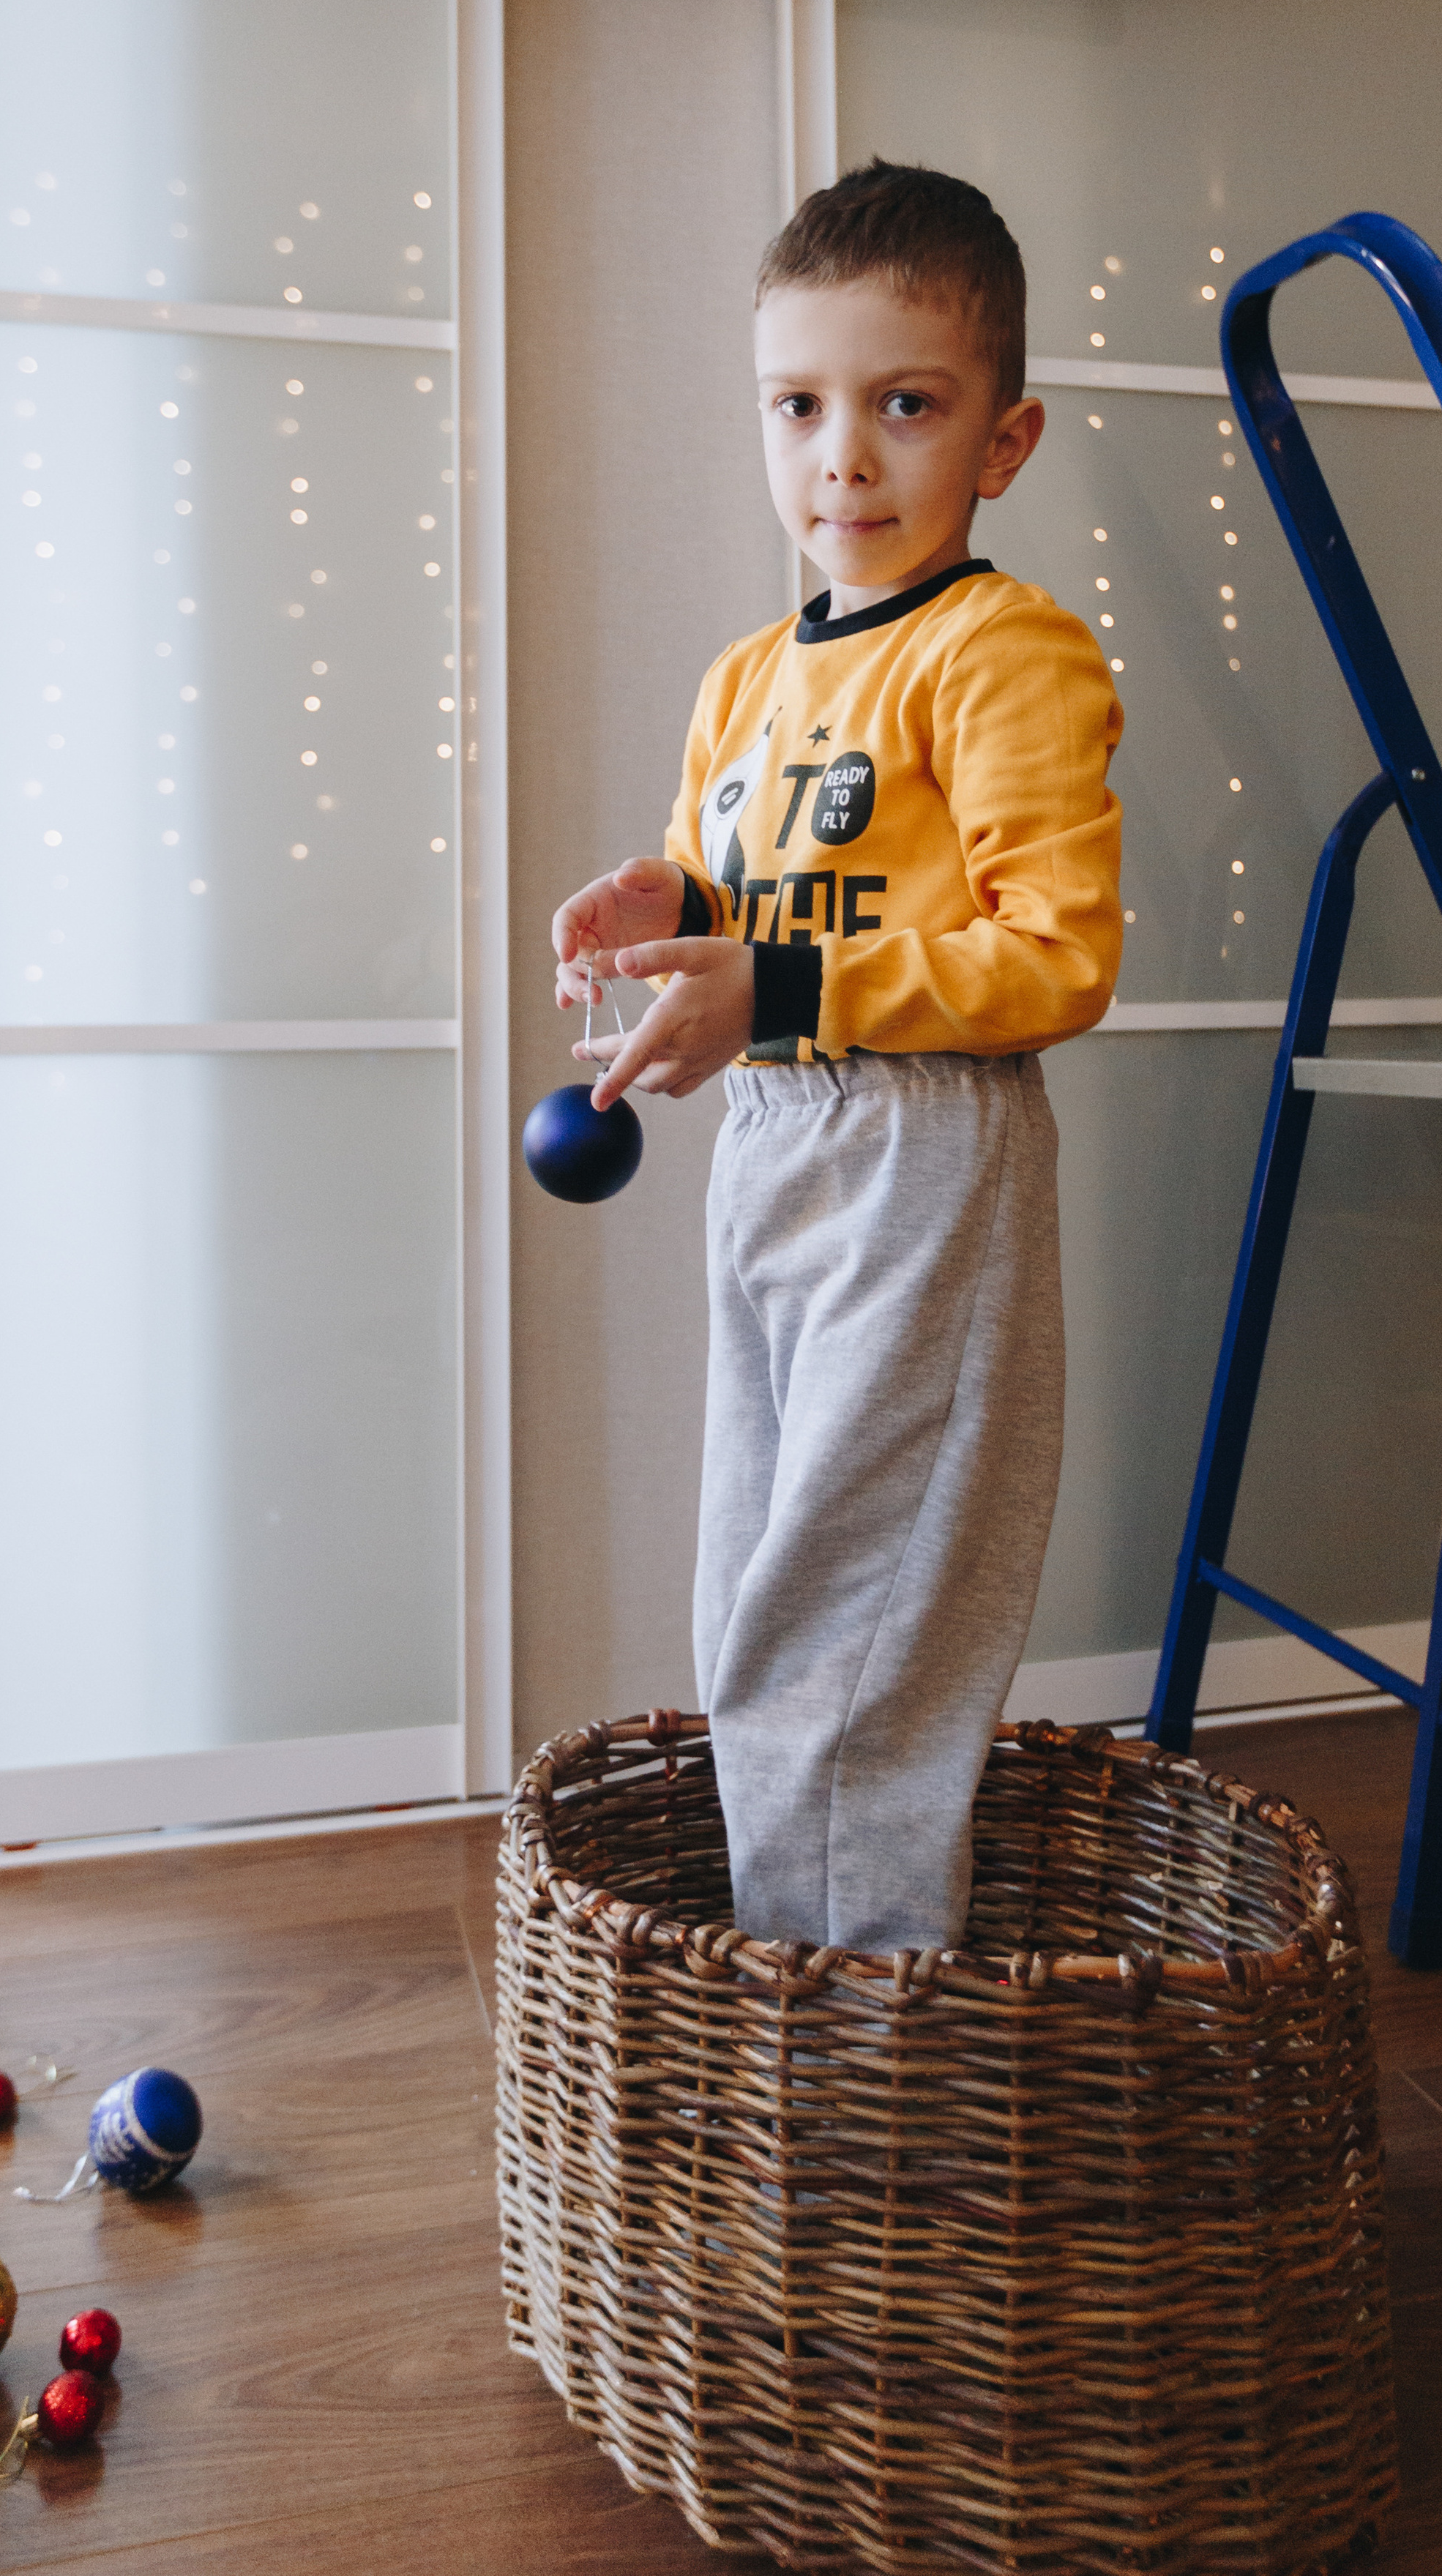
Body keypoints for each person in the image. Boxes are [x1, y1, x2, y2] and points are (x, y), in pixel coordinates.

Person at [550, 160, 1123, 1955]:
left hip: (920, 1164)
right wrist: (661, 898)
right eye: (797, 408)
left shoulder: (1000, 652)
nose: (842, 461)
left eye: (902, 407)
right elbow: (740, 888)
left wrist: (775, 994)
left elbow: (1059, 956)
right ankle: (770, 1976)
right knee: (755, 1590)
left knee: (860, 1620)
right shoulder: (745, 677)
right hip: (775, 1161)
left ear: (1001, 440)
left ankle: (850, 2033)